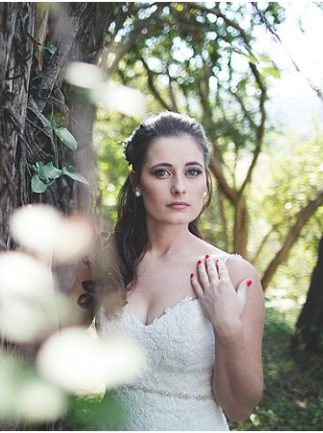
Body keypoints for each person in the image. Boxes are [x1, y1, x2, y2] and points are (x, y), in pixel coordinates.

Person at [71, 111, 264, 430]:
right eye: (162, 172)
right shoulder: (104, 259)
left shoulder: (233, 275)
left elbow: (239, 407)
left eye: (192, 172)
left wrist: (227, 327)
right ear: (137, 182)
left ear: (205, 182)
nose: (179, 187)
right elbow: (53, 350)